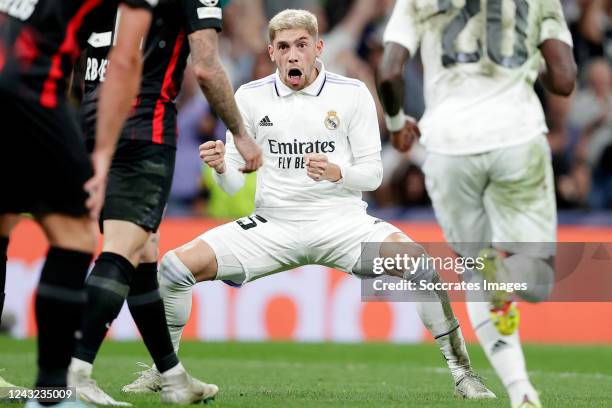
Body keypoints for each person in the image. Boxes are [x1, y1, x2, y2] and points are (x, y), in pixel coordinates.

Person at [124, 8, 495, 400]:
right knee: (174, 267)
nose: (293, 55)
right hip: (273, 225)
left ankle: (464, 374)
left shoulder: (351, 94)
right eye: (283, 47)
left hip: (342, 223)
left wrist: (338, 173)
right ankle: (163, 371)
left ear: (318, 48)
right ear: (271, 52)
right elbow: (233, 184)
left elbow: (373, 174)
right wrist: (220, 167)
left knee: (419, 265)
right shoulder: (249, 97)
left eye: (302, 45)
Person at [377, 0, 576, 407]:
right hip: (517, 136)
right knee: (536, 282)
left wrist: (397, 126)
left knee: (475, 270)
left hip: (449, 144)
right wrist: (521, 62)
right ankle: (503, 277)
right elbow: (565, 79)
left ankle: (521, 392)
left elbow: (390, 71)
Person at [66, 0, 262, 405]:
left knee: (143, 251)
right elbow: (206, 66)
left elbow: (75, 57)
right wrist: (240, 133)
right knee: (124, 247)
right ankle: (73, 373)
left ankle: (173, 376)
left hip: (93, 120)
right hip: (143, 126)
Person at [0, 0, 157, 406]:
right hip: (30, 85)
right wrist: (103, 154)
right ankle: (51, 394)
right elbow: (124, 60)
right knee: (75, 233)